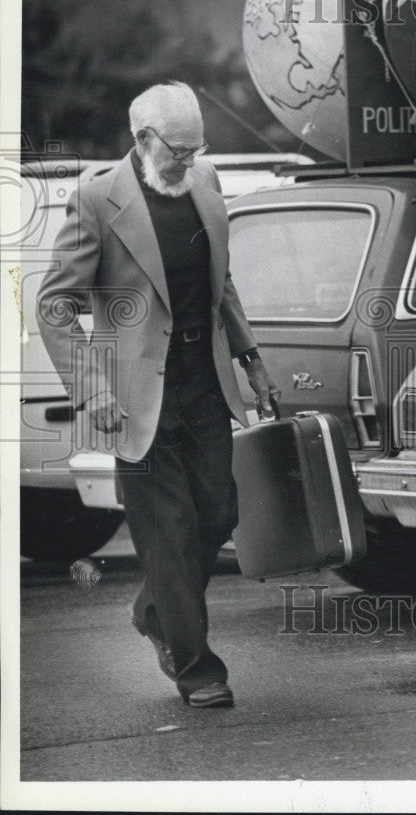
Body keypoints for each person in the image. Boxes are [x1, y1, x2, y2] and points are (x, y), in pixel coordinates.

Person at [36, 81, 279, 709]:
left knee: (218, 515)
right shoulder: (97, 199)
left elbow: (224, 284)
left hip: (206, 387)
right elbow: (55, 304)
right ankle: (198, 670)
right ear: (143, 140)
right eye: (179, 151)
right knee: (169, 533)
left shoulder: (205, 184)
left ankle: (153, 610)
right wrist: (91, 391)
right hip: (134, 402)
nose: (190, 162)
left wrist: (252, 361)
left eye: (198, 150)